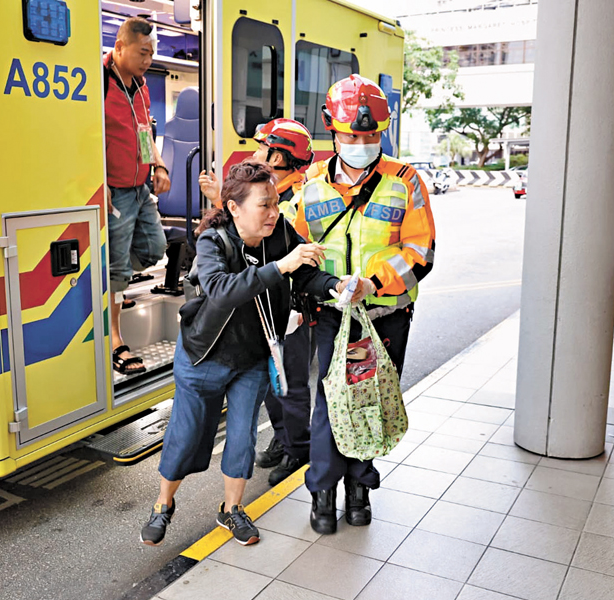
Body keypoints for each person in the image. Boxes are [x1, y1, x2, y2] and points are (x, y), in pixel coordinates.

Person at [140, 161, 370, 547]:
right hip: (204, 357)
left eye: (276, 203)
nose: (274, 212)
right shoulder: (214, 240)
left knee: (243, 438)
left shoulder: (278, 231)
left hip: (252, 358)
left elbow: (306, 272)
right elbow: (221, 289)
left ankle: (231, 510)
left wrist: (336, 285)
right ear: (234, 208)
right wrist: (281, 266)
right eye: (264, 205)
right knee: (187, 434)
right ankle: (163, 505)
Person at [290, 74, 436, 534]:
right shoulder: (310, 183)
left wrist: (373, 283)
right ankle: (322, 494)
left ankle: (359, 489)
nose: (361, 143)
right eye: (352, 135)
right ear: (332, 130)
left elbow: (421, 250)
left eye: (370, 135)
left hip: (386, 315)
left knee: (371, 399)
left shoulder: (405, 180)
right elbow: (295, 248)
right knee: (330, 403)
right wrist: (326, 286)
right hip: (331, 315)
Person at [199, 119, 318, 486]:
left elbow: (275, 242)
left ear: (279, 154)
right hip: (264, 309)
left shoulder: (296, 200)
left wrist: (225, 199)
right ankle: (285, 440)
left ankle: (299, 448)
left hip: (291, 309)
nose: (254, 153)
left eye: (262, 147)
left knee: (291, 384)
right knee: (271, 383)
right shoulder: (275, 191)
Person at [104, 17, 170, 375]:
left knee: (153, 249)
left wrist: (158, 166)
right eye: (142, 52)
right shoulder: (99, 83)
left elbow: (145, 133)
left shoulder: (141, 86)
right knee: (115, 268)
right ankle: (114, 339)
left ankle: (114, 290)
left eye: (152, 53)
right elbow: (85, 142)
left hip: (139, 186)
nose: (148, 60)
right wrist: (99, 187)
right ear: (119, 48)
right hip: (114, 190)